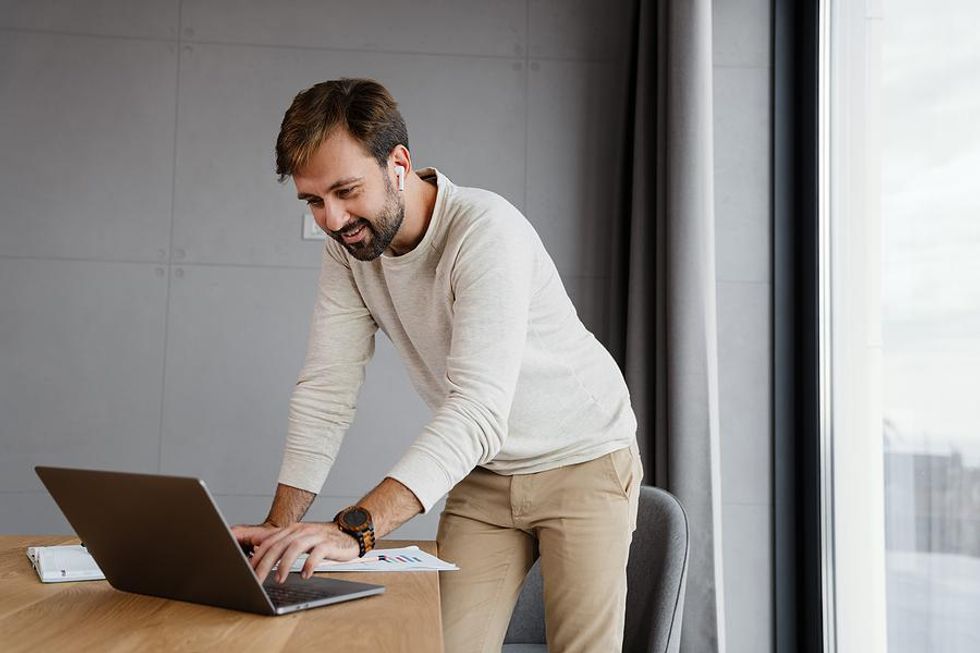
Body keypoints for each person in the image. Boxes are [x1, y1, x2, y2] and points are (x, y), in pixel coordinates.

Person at [232, 78, 643, 653]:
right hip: (484, 473)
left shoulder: (484, 231)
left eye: (346, 191)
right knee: (438, 644)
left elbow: (477, 410)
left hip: (584, 461)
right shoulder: (349, 249)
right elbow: (328, 390)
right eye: (313, 200)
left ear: (398, 164)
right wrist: (279, 529)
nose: (331, 218)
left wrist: (356, 530)